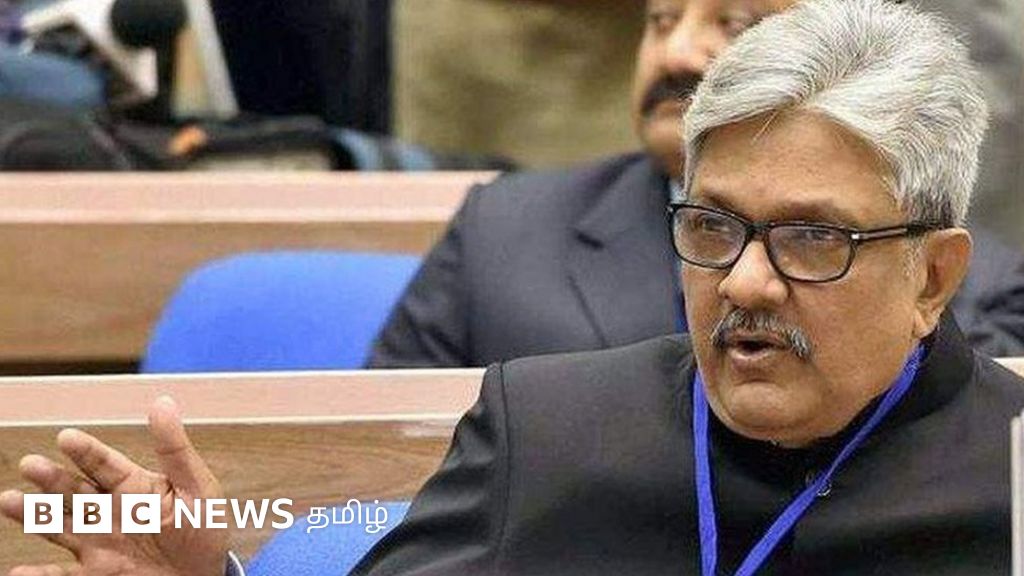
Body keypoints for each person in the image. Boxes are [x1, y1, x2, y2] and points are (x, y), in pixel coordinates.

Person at [3, 1, 1023, 574]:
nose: (746, 282)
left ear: (932, 276)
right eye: (713, 228)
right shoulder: (547, 430)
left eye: (811, 240)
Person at [367, 0, 1024, 368]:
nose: (677, 52)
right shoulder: (500, 233)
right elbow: (371, 483)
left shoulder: (981, 291)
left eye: (734, 25)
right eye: (660, 19)